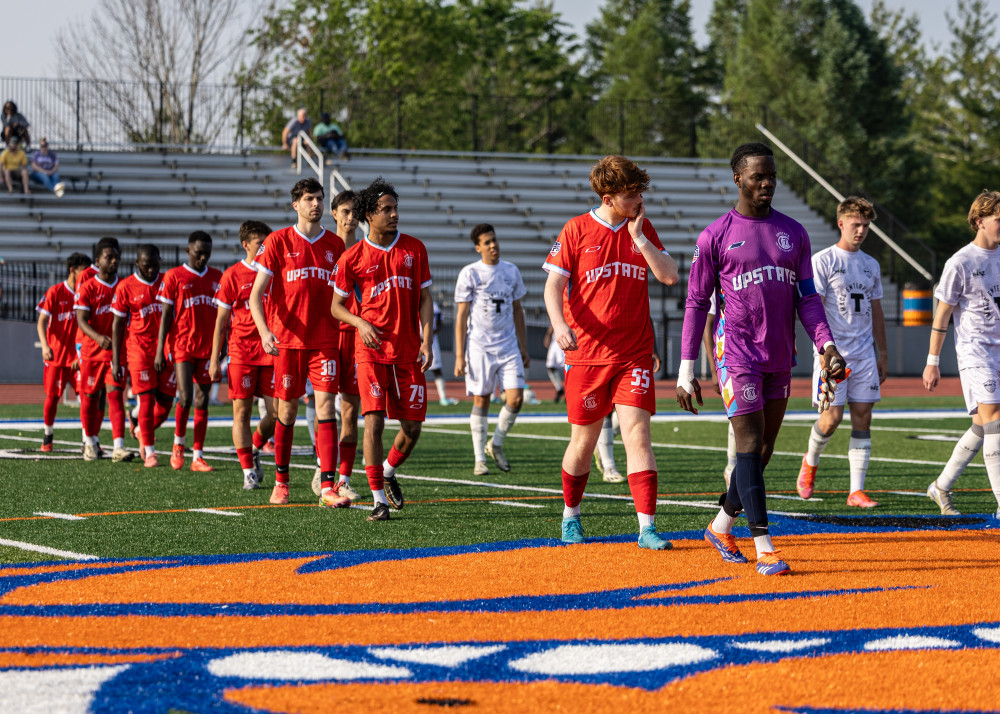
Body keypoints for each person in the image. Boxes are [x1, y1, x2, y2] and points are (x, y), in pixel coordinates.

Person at [676, 142, 845, 576]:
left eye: (772, 175)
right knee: (749, 445)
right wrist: (686, 368)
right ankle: (765, 545)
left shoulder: (795, 233)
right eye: (758, 176)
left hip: (778, 353)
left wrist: (825, 345)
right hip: (735, 352)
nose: (767, 183)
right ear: (738, 179)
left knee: (764, 450)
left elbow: (807, 299)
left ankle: (719, 525)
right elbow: (696, 303)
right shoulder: (714, 235)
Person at [543, 155, 679, 550]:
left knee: (638, 435)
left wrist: (639, 237)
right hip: (587, 355)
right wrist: (559, 325)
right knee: (583, 442)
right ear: (608, 197)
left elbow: (669, 275)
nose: (638, 199)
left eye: (639, 191)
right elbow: (553, 287)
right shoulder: (576, 229)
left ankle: (647, 527)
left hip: (633, 353)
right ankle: (571, 516)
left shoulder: (643, 228)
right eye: (630, 193)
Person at [331, 177, 433, 522]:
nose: (394, 214)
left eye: (395, 208)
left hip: (407, 352)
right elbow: (336, 306)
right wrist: (360, 323)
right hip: (371, 351)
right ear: (368, 216)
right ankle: (378, 500)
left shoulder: (414, 249)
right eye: (386, 209)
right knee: (372, 421)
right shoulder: (352, 258)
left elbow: (426, 298)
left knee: (412, 428)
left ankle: (389, 470)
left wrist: (427, 339)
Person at [250, 178, 349, 508]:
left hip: (324, 340)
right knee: (287, 411)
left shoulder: (335, 245)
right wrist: (265, 332)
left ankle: (328, 486)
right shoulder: (277, 242)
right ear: (296, 205)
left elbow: (347, 292)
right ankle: (281, 482)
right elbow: (256, 295)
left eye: (319, 199)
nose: (316, 204)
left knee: (326, 410)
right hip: (288, 341)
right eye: (309, 199)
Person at [795, 196, 887, 507]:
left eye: (865, 225)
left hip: (864, 354)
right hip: (833, 354)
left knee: (863, 417)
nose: (860, 230)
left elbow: (876, 311)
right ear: (841, 223)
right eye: (855, 224)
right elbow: (813, 309)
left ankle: (856, 490)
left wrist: (882, 352)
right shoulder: (823, 261)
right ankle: (811, 459)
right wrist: (822, 352)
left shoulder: (871, 265)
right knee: (831, 419)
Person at [923, 189, 1000, 519]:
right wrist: (932, 361)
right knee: (996, 421)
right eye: (999, 219)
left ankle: (940, 486)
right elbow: (941, 315)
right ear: (979, 221)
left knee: (982, 429)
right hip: (974, 352)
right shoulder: (961, 262)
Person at [454, 223, 530, 476]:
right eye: (486, 242)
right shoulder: (470, 273)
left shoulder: (511, 271)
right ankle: (479, 459)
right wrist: (458, 355)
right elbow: (462, 315)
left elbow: (518, 309)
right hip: (479, 347)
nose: (493, 245)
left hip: (508, 345)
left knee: (516, 399)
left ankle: (495, 444)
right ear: (478, 248)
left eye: (494, 240)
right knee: (481, 399)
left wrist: (524, 346)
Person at [211, 221, 278, 490]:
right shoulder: (232, 275)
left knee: (279, 413)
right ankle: (248, 471)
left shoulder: (276, 272)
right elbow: (221, 322)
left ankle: (255, 447)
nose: (264, 247)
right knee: (242, 413)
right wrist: (215, 359)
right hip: (241, 353)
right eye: (260, 242)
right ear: (245, 245)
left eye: (267, 242)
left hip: (271, 350)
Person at [155, 231, 223, 473]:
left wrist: (220, 348)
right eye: (198, 253)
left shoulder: (217, 277)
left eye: (207, 253)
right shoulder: (174, 276)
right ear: (188, 251)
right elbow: (165, 316)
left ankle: (198, 456)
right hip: (182, 346)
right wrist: (159, 350)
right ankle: (178, 444)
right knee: (185, 397)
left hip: (207, 348)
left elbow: (222, 316)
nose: (203, 257)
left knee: (202, 400)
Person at [111, 244, 176, 468]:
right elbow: (117, 324)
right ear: (137, 264)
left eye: (155, 265)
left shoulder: (168, 281)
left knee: (166, 406)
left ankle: (139, 428)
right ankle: (150, 452)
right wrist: (116, 359)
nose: (151, 270)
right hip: (139, 351)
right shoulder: (125, 287)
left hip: (167, 350)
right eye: (147, 266)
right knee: (146, 402)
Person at [74, 237, 132, 462]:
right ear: (98, 261)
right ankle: (89, 441)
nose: (114, 261)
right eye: (109, 257)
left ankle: (118, 446)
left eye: (116, 257)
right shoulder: (87, 287)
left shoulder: (124, 286)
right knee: (89, 399)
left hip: (117, 353)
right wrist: (98, 338)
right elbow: (81, 320)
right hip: (92, 352)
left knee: (116, 396)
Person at [37, 253, 91, 452]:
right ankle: (48, 436)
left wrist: (81, 353)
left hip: (78, 358)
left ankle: (88, 440)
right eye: (85, 270)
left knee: (86, 397)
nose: (89, 274)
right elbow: (42, 321)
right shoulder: (55, 292)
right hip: (56, 357)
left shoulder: (86, 292)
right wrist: (45, 346)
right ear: (73, 270)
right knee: (52, 396)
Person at [428, 301, 458, 407]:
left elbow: (440, 322)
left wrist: (431, 334)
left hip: (431, 341)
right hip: (415, 339)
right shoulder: (410, 301)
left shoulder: (434, 305)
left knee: (436, 368)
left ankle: (443, 397)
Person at [543, 325, 565, 402]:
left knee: (567, 367)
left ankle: (569, 392)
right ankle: (559, 389)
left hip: (564, 341)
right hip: (554, 342)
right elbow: (554, 322)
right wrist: (548, 335)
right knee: (550, 366)